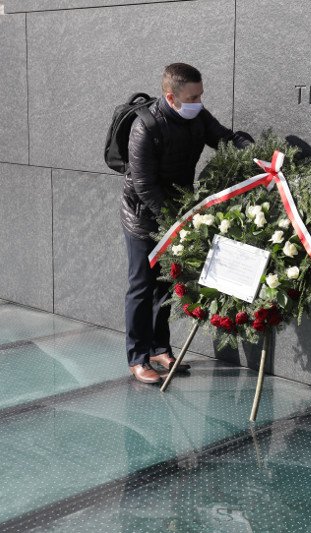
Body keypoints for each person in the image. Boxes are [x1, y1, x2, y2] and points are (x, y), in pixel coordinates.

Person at [120, 63, 254, 384]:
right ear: (171, 97)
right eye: (192, 97)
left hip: (177, 211)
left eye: (201, 95)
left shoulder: (198, 117)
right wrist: (175, 220)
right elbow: (144, 186)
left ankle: (159, 348)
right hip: (142, 216)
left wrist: (252, 150)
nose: (199, 102)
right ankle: (137, 357)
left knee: (166, 284)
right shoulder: (145, 127)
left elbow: (225, 138)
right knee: (142, 284)